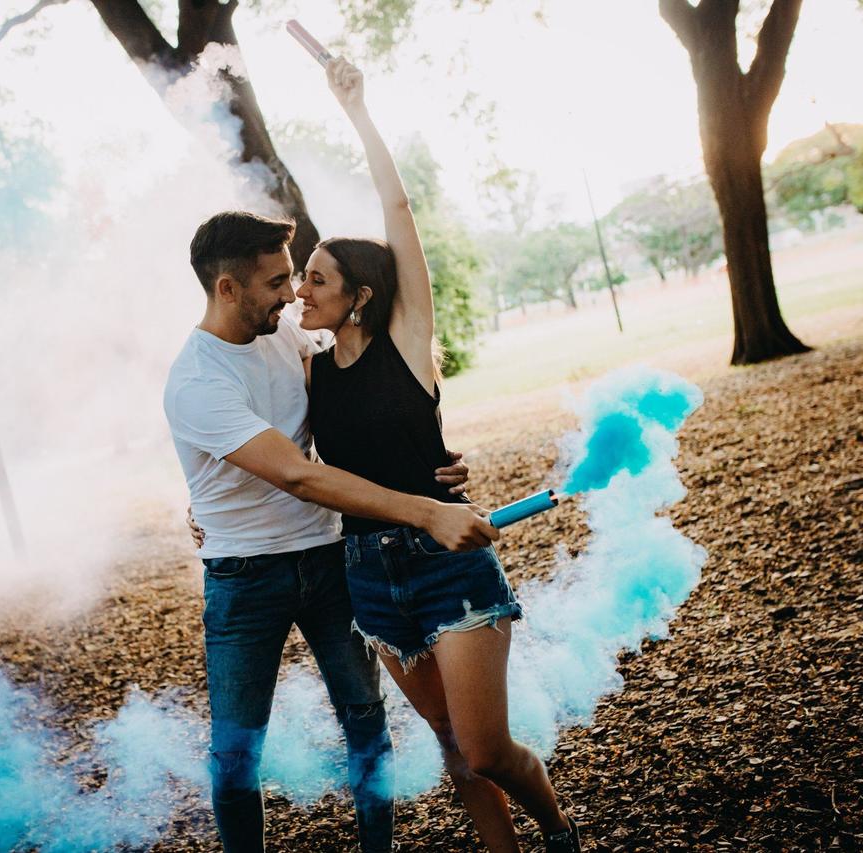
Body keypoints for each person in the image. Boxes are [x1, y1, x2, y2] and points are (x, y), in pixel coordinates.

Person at [294, 58, 582, 853]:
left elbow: (398, 209)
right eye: (300, 279)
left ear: (361, 295)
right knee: (455, 751)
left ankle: (556, 826)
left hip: (445, 562)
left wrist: (356, 111)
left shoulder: (407, 342)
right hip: (367, 573)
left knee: (487, 746)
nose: (300, 290)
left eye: (316, 279)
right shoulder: (309, 364)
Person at [164, 211, 498, 853]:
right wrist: (426, 511)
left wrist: (431, 455)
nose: (292, 294)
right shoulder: (196, 379)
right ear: (227, 289)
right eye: (276, 282)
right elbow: (298, 475)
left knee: (367, 722)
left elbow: (376, 389)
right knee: (236, 751)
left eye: (294, 278)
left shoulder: (287, 333)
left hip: (330, 557)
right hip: (245, 578)